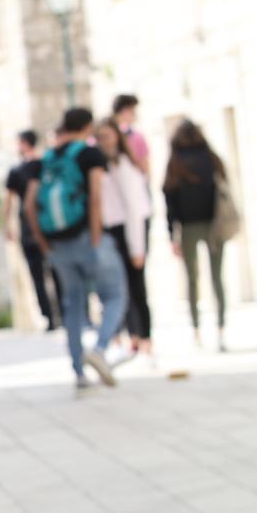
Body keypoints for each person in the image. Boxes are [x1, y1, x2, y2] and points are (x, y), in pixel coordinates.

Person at [25, 107, 128, 389]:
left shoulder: (45, 160)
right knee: (114, 295)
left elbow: (30, 206)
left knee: (73, 305)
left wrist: (43, 242)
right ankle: (100, 349)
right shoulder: (89, 154)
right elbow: (95, 197)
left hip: (57, 244)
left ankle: (78, 371)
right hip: (87, 237)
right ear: (87, 126)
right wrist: (95, 236)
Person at [163, 120, 230, 351]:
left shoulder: (175, 162)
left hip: (189, 227)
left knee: (192, 279)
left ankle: (196, 330)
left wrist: (172, 234)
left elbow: (169, 200)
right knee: (217, 278)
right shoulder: (210, 158)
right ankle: (220, 330)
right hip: (214, 224)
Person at [94, 119, 153, 357]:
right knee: (120, 287)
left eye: (108, 136)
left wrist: (137, 247)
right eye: (100, 137)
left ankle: (145, 337)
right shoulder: (101, 166)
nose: (105, 142)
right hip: (111, 231)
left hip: (129, 229)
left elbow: (134, 209)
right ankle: (133, 335)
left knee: (137, 286)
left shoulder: (124, 164)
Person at [2, 130, 60, 331]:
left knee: (37, 275)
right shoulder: (47, 164)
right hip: (50, 224)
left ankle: (49, 317)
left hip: (28, 227)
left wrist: (7, 226)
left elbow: (8, 200)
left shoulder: (18, 170)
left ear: (24, 143)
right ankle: (63, 312)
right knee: (57, 271)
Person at [112, 94, 152, 177]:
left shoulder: (107, 134)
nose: (135, 114)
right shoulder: (136, 136)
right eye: (133, 111)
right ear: (125, 110)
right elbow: (144, 166)